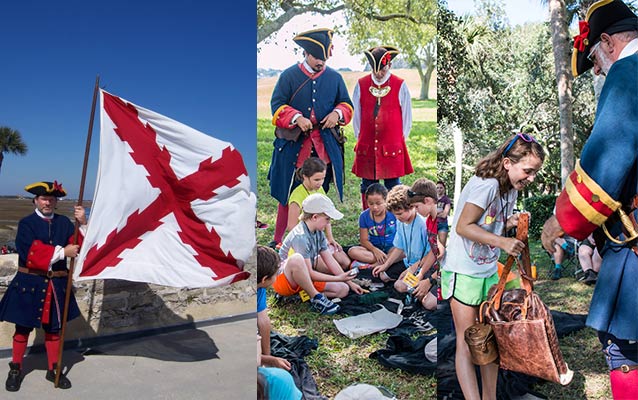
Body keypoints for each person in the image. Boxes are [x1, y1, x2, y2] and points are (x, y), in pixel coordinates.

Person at [541, 3, 638, 396]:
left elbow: (604, 171)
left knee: (625, 345)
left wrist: (559, 222)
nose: (597, 69)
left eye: (595, 59)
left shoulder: (628, 73)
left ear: (608, 43)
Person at [441, 133, 544, 400]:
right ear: (508, 162)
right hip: (463, 272)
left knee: (491, 340)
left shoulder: (507, 188)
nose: (531, 178)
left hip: (486, 271)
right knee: (469, 342)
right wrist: (502, 241)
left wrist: (510, 223)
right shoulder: (485, 185)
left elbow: (488, 221)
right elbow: (463, 227)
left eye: (534, 173)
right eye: (528, 171)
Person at [268, 28, 353, 248]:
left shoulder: (334, 77)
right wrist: (296, 117)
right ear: (306, 53)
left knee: (319, 196)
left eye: (324, 58)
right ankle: (281, 241)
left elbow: (346, 104)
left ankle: (319, 242)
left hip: (322, 147)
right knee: (287, 196)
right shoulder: (289, 76)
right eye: (317, 57)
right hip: (294, 148)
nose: (321, 62)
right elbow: (276, 106)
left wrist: (337, 114)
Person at [0, 181, 87, 391]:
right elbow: (29, 251)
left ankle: (53, 368)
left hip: (56, 285)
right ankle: (16, 368)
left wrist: (83, 223)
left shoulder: (66, 223)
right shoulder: (26, 223)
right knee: (22, 329)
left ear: (56, 202)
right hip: (29, 283)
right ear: (35, 201)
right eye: (43, 198)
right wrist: (62, 253)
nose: (47, 202)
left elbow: (80, 246)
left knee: (54, 330)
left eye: (51, 199)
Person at [272, 193, 361, 315]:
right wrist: (338, 278)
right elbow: (310, 273)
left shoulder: (318, 232)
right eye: (327, 219)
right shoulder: (301, 236)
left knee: (343, 289)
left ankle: (299, 297)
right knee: (297, 259)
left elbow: (330, 260)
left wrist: (349, 282)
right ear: (314, 217)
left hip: (304, 279)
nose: (328, 223)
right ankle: (316, 298)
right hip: (285, 281)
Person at [351, 46, 413, 210]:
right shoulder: (361, 84)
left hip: (392, 146)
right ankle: (368, 220)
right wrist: (361, 137)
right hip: (367, 145)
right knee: (367, 186)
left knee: (393, 187)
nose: (379, 73)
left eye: (383, 69)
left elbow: (407, 117)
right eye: (375, 69)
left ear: (389, 65)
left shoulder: (400, 85)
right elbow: (356, 116)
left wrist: (398, 139)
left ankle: (392, 220)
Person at [286, 157, 350, 270]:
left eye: (323, 179)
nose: (320, 183)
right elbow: (291, 227)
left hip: (319, 239)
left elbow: (327, 216)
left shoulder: (320, 190)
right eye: (316, 180)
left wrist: (330, 238)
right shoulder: (296, 197)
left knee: (345, 262)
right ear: (305, 177)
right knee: (330, 268)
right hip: (305, 244)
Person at [372, 185, 429, 285]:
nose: (397, 217)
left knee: (399, 286)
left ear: (411, 207)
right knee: (383, 275)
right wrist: (386, 265)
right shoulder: (400, 222)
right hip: (408, 262)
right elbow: (399, 247)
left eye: (400, 214)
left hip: (421, 266)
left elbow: (430, 255)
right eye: (395, 214)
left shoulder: (422, 225)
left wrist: (412, 269)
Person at [257, 245, 292, 371]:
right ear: (264, 279)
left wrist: (267, 356)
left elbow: (263, 321)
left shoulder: (259, 287)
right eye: (276, 274)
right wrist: (267, 359)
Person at [407, 178, 440, 310]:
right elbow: (433, 251)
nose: (415, 210)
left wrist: (430, 281)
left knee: (428, 302)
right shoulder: (428, 221)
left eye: (416, 207)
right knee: (406, 285)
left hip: (447, 272)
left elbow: (447, 262)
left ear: (427, 201)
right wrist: (421, 273)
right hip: (434, 268)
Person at [346, 183, 397, 266]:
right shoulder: (364, 216)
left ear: (386, 200)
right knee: (352, 251)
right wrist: (375, 250)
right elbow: (364, 240)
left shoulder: (393, 213)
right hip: (373, 251)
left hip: (393, 248)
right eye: (371, 203)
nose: (375, 207)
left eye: (378, 203)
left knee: (402, 251)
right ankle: (386, 261)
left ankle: (375, 265)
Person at [436, 181, 452, 247]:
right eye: (437, 188)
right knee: (431, 246)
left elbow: (444, 214)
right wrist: (440, 212)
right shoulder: (433, 199)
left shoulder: (446, 200)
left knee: (442, 246)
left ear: (444, 189)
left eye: (441, 188)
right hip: (433, 224)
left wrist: (435, 213)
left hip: (442, 224)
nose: (439, 189)